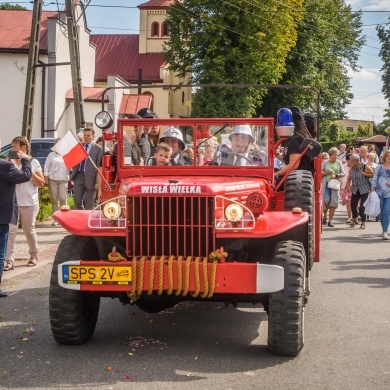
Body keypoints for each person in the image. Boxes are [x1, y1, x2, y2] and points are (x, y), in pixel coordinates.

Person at [5, 136, 45, 269]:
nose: (12, 149)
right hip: (13, 202)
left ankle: (33, 255)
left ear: (23, 148)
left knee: (29, 231)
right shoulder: (9, 161)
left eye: (15, 147)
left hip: (29, 202)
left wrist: (28, 169)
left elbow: (41, 183)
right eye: (12, 147)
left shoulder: (33, 162)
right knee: (11, 231)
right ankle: (9, 260)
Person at [0, 138, 32, 296]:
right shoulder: (6, 166)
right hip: (2, 216)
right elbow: (25, 176)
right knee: (0, 252)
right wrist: (25, 160)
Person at [275, 107, 317, 181]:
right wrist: (278, 155)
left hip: (298, 181)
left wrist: (276, 174)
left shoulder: (295, 139)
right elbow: (290, 160)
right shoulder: (295, 138)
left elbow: (294, 165)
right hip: (300, 179)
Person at [70, 127, 103, 210]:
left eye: (88, 135)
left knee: (89, 204)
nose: (86, 137)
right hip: (79, 176)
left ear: (93, 137)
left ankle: (87, 220)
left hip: (91, 179)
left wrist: (97, 182)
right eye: (85, 135)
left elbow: (99, 167)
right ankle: (82, 214)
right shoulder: (79, 147)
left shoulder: (98, 149)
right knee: (77, 201)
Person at [43, 138, 69, 225]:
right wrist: (46, 178)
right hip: (53, 179)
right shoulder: (51, 155)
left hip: (63, 179)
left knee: (63, 198)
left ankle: (64, 217)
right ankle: (56, 218)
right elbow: (46, 166)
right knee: (54, 199)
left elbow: (72, 166)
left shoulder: (67, 154)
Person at [346, 153, 374, 229]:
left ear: (356, 161)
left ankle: (363, 223)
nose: (350, 162)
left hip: (364, 189)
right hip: (355, 189)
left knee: (362, 207)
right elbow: (349, 178)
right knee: (353, 204)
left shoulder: (365, 167)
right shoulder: (352, 168)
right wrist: (348, 186)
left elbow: (373, 174)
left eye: (351, 161)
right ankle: (355, 218)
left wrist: (365, 174)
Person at [321, 147, 345, 227]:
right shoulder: (324, 162)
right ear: (330, 155)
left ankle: (330, 220)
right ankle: (325, 216)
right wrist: (327, 173)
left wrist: (336, 175)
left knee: (333, 203)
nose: (336, 157)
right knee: (326, 201)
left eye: (337, 155)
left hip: (334, 185)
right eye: (335, 155)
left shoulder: (338, 163)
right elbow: (320, 172)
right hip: (326, 184)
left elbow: (343, 173)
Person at [370, 150, 390, 240]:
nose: (389, 157)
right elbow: (375, 179)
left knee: (386, 211)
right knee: (381, 212)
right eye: (388, 156)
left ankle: (385, 231)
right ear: (385, 157)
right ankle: (383, 229)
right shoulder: (379, 167)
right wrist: (372, 190)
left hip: (389, 193)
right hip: (379, 192)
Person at [340, 153, 353, 224]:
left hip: (355, 187)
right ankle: (349, 217)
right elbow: (341, 178)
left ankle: (354, 216)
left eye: (351, 161)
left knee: (354, 203)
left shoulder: (356, 167)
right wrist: (340, 188)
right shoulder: (343, 167)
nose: (349, 163)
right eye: (348, 161)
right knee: (348, 203)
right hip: (345, 187)